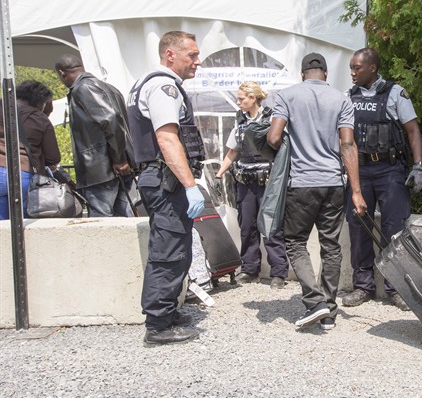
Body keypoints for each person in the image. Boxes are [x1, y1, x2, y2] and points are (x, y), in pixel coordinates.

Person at [267, 53, 367, 330]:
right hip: (333, 183)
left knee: (296, 242)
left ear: (302, 74)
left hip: (301, 183)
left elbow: (273, 137)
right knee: (331, 245)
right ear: (325, 73)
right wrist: (356, 191)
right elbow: (347, 145)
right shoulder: (341, 99)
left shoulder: (287, 96)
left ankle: (314, 302)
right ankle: (330, 311)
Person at [126, 30, 206, 346]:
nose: (198, 61)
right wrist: (190, 185)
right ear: (170, 54)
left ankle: (168, 311)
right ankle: (158, 325)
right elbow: (167, 138)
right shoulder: (163, 86)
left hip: (159, 178)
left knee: (174, 248)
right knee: (168, 252)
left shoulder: (148, 83)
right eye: (192, 55)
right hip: (166, 181)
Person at [342, 47, 422, 311]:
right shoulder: (348, 97)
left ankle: (396, 288)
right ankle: (362, 286)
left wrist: (419, 166)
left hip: (389, 170)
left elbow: (412, 130)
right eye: (351, 68)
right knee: (359, 228)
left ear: (372, 68)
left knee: (394, 229)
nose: (352, 72)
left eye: (357, 68)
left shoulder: (395, 93)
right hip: (360, 171)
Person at [215, 82, 289, 289]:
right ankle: (249, 269)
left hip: (267, 183)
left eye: (241, 99)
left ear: (253, 98)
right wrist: (219, 174)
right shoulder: (239, 121)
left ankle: (278, 273)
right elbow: (233, 151)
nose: (238, 102)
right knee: (247, 227)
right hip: (245, 182)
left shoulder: (271, 119)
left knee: (271, 227)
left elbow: (281, 149)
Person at [54, 54, 135, 217]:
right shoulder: (108, 87)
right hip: (114, 167)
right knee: (122, 219)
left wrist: (119, 159)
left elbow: (110, 118)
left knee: (102, 221)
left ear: (62, 73)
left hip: (101, 170)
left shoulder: (83, 88)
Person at [0, 81, 61, 220]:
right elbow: (53, 158)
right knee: (24, 223)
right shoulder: (40, 118)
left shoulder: (2, 108)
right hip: (23, 174)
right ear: (40, 102)